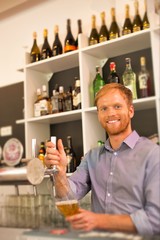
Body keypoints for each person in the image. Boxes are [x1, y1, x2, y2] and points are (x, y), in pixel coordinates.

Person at [45, 83, 160, 235]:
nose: (110, 113)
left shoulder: (153, 154)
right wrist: (59, 174)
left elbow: (155, 219)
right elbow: (68, 196)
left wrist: (98, 220)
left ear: (130, 110)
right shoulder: (92, 157)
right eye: (104, 108)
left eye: (117, 106)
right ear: (98, 114)